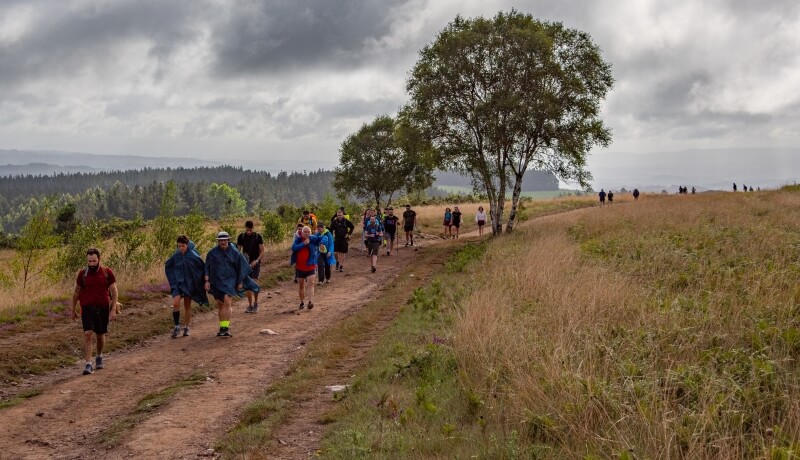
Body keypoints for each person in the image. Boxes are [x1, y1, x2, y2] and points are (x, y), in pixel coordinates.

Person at [71, 247, 118, 375]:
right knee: (87, 333)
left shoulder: (107, 272)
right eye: (89, 261)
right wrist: (73, 309)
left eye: (94, 261)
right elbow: (76, 292)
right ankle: (88, 364)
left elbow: (114, 291)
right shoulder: (83, 274)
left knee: (100, 335)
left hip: (102, 307)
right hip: (87, 308)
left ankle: (99, 356)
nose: (91, 264)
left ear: (99, 259)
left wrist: (113, 309)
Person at [205, 231, 258, 338]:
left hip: (230, 280)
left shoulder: (235, 252)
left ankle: (226, 327)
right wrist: (207, 281)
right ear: (218, 241)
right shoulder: (212, 253)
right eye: (221, 240)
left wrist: (241, 281)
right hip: (216, 281)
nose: (223, 242)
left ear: (228, 240)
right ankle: (222, 327)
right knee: (220, 304)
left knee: (227, 302)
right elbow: (207, 267)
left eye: (225, 240)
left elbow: (241, 267)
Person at [164, 235, 208, 338]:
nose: (181, 248)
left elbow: (202, 268)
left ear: (187, 245)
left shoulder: (193, 256)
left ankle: (187, 327)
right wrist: (173, 280)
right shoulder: (176, 256)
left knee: (187, 305)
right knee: (175, 303)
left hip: (189, 284)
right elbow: (169, 266)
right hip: (177, 284)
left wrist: (203, 281)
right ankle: (176, 327)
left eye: (183, 246)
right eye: (179, 246)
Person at [236, 220, 265, 313]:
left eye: (250, 230)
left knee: (255, 283)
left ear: (253, 228)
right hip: (246, 263)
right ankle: (250, 305)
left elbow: (262, 251)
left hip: (255, 263)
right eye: (247, 230)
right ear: (245, 228)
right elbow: (238, 251)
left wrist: (256, 261)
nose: (249, 232)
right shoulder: (241, 237)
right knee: (248, 285)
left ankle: (256, 303)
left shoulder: (257, 237)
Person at [291, 226, 322, 309]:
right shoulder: (298, 240)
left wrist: (323, 242)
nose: (307, 233)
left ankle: (310, 302)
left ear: (311, 233)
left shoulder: (313, 239)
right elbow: (293, 248)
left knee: (311, 284)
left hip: (311, 266)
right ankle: (302, 302)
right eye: (305, 232)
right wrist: (304, 243)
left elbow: (320, 238)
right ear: (302, 233)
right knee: (301, 285)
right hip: (300, 267)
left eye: (309, 232)